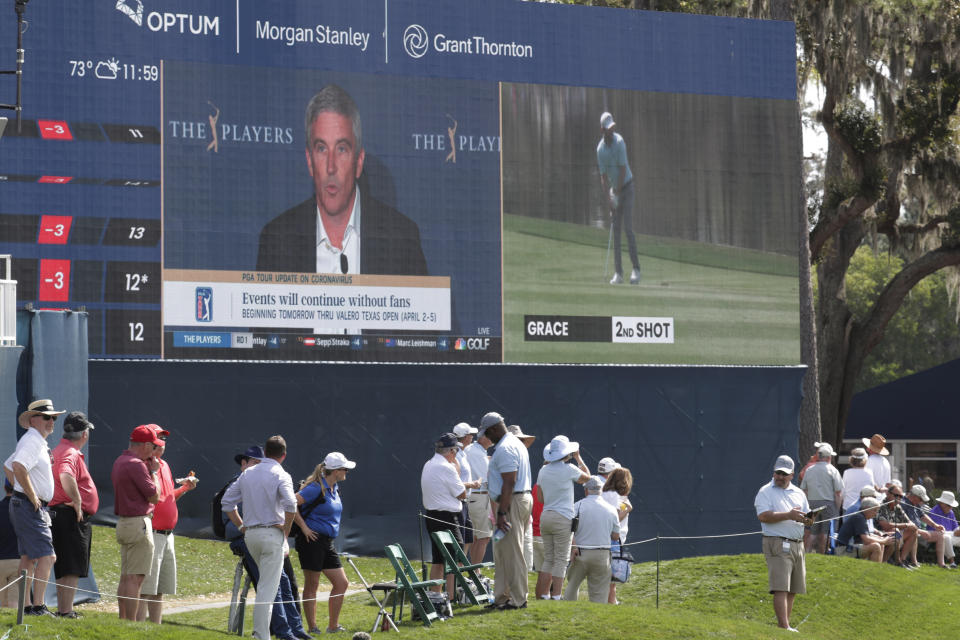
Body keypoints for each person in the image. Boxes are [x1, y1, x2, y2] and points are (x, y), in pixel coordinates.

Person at [257, 84, 427, 277]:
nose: (331, 167)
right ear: (309, 162)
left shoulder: (401, 239)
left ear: (359, 161)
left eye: (342, 149)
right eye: (321, 149)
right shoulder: (277, 240)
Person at [225, 447, 309, 640]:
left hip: (251, 535)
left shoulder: (247, 474)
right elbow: (290, 503)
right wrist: (286, 529)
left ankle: (272, 632)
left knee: (270, 586)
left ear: (265, 453)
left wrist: (242, 526)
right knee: (268, 589)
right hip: (271, 534)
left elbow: (227, 503)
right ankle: (261, 635)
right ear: (284, 455)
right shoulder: (281, 473)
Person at [4, 399, 65, 617]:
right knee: (48, 557)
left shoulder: (36, 441)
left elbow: (9, 465)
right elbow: (18, 466)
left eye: (54, 417)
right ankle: (37, 606)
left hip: (27, 504)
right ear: (33, 419)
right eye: (47, 417)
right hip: (29, 506)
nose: (52, 421)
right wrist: (30, 494)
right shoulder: (32, 441)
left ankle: (27, 605)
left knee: (29, 558)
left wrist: (21, 491)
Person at [136, 424, 198, 624]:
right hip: (151, 532)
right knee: (145, 588)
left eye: (164, 438)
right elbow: (152, 498)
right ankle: (136, 629)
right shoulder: (143, 465)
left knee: (159, 589)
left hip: (168, 534)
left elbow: (168, 497)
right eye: (159, 438)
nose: (162, 442)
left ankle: (155, 628)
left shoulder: (164, 465)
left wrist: (185, 489)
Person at [294, 452, 356, 635]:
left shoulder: (334, 488)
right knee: (312, 584)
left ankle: (333, 626)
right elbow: (290, 503)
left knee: (341, 583)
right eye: (344, 469)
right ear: (335, 471)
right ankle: (313, 628)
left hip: (327, 542)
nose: (347, 471)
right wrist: (304, 528)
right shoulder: (315, 487)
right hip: (311, 541)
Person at [480, 412, 532, 610]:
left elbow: (509, 482)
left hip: (512, 502)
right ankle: (501, 597)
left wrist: (501, 513)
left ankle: (519, 600)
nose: (487, 438)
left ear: (494, 429)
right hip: (513, 500)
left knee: (513, 552)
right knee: (502, 551)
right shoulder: (510, 444)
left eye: (487, 433)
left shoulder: (506, 448)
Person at [49, 411, 98, 618]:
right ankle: (66, 611)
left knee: (66, 566)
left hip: (61, 514)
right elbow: (66, 474)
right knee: (70, 567)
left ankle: (64, 609)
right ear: (84, 434)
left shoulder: (60, 449)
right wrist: (78, 502)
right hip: (70, 516)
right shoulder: (70, 453)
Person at [111, 424, 163, 620]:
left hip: (124, 523)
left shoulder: (120, 460)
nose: (155, 450)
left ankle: (123, 620)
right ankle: (130, 624)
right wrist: (154, 472)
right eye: (153, 445)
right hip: (138, 523)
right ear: (145, 445)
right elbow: (154, 497)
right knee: (135, 578)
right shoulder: (136, 464)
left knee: (126, 577)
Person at [754, 455, 811, 632]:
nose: (780, 477)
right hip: (776, 543)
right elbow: (763, 516)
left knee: (793, 587)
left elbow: (807, 515)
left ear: (792, 475)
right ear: (774, 472)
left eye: (784, 474)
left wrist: (809, 520)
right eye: (778, 473)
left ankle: (785, 625)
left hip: (797, 544)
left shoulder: (799, 493)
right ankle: (783, 626)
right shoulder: (765, 491)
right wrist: (788, 515)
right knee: (781, 587)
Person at [535, 435, 589, 600]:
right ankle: (556, 596)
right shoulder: (569, 469)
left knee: (549, 558)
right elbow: (588, 478)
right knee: (560, 559)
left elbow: (540, 498)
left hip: (546, 516)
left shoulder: (543, 470)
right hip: (563, 517)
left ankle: (544, 595)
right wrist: (578, 457)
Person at [420, 433, 467, 601]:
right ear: (452, 451)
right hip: (447, 517)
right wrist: (457, 468)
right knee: (456, 555)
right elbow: (461, 493)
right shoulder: (447, 467)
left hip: (432, 516)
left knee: (438, 558)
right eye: (456, 451)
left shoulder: (429, 464)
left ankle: (436, 593)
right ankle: (452, 595)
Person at [597, 111, 641, 285]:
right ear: (602, 129)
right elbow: (603, 176)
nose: (611, 130)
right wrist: (609, 199)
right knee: (615, 231)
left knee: (628, 229)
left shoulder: (620, 142)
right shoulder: (600, 150)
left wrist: (616, 192)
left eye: (612, 127)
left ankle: (636, 270)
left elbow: (623, 170)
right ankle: (619, 273)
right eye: (608, 128)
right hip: (615, 191)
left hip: (627, 187)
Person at [563, 476, 620, 603]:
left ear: (586, 490)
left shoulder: (576, 506)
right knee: (599, 595)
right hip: (602, 555)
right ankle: (597, 620)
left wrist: (574, 546)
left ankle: (567, 615)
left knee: (571, 588)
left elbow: (568, 530)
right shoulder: (611, 509)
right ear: (601, 490)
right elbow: (616, 536)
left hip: (580, 553)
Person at [799, 443, 842, 554]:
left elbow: (803, 489)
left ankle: (806, 554)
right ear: (829, 457)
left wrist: (807, 504)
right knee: (825, 532)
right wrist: (837, 508)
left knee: (811, 532)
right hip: (828, 504)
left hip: (811, 503)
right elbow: (838, 493)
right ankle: (822, 554)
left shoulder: (809, 470)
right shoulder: (833, 470)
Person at [601, 467, 633, 604]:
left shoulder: (605, 493)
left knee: (608, 572)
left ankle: (610, 600)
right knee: (612, 573)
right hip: (614, 537)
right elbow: (614, 519)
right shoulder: (614, 496)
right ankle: (611, 601)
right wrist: (627, 510)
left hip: (608, 536)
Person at [506, 425, 536, 572]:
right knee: (518, 541)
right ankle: (519, 573)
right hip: (520, 497)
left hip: (519, 497)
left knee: (520, 542)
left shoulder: (517, 452)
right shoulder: (518, 451)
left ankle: (521, 573)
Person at [464, 425, 493, 564]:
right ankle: (475, 571)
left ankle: (474, 571)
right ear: (483, 437)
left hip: (473, 497)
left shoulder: (472, 450)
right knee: (484, 537)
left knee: (476, 537)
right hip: (480, 497)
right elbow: (487, 478)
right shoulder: (477, 453)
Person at [452, 423, 482, 557]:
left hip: (465, 500)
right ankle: (457, 570)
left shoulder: (462, 454)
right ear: (464, 437)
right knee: (462, 538)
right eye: (470, 435)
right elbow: (454, 482)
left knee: (468, 536)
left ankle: (461, 568)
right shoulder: (456, 455)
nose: (472, 437)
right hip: (459, 501)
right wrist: (472, 484)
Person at [900, 484, 947, 567]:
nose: (922, 501)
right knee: (914, 532)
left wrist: (935, 525)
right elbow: (905, 524)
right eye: (921, 499)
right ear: (914, 496)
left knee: (941, 535)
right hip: (907, 531)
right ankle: (912, 561)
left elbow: (922, 516)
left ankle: (941, 564)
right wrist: (919, 530)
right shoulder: (903, 504)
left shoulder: (916, 503)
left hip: (918, 530)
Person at [835, 497, 892, 561]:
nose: (876, 514)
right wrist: (884, 541)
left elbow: (867, 535)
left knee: (880, 544)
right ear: (866, 508)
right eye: (874, 510)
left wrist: (882, 538)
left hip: (849, 547)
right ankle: (874, 570)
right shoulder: (859, 518)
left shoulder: (861, 517)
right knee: (876, 547)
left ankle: (878, 568)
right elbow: (866, 539)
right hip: (844, 550)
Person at [874, 483, 918, 567]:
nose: (898, 498)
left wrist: (910, 525)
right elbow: (885, 525)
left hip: (894, 536)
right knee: (896, 532)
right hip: (881, 535)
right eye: (896, 495)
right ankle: (893, 562)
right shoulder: (882, 506)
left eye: (901, 496)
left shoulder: (897, 507)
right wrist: (905, 525)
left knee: (913, 530)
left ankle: (903, 560)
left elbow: (909, 522)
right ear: (888, 494)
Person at [0, 481, 21, 608]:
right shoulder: (25, 511)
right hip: (18, 561)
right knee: (14, 604)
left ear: (4, 488)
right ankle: (15, 627)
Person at [927, 491, 960, 566]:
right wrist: (954, 532)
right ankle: (952, 562)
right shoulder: (933, 512)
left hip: (952, 536)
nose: (951, 507)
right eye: (949, 505)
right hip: (937, 536)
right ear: (942, 503)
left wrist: (958, 531)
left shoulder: (950, 512)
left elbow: (955, 528)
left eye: (951, 505)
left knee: (949, 536)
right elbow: (936, 531)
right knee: (946, 537)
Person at [841, 448, 875, 512]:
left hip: (848, 506)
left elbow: (843, 491)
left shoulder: (847, 472)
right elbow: (872, 490)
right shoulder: (869, 472)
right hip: (864, 507)